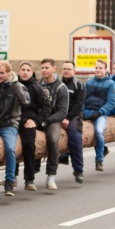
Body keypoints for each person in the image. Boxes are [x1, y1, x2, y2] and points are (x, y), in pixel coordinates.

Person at [0, 61, 29, 196]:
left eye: (2, 73)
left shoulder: (17, 86)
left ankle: (9, 181)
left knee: (10, 150)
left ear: (9, 73)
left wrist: (15, 84)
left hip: (9, 125)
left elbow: (25, 101)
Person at [17, 61, 51, 191]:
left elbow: (46, 107)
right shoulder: (14, 86)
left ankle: (29, 179)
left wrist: (36, 121)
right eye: (23, 69)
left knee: (29, 144)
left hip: (28, 121)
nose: (25, 72)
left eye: (28, 70)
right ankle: (10, 178)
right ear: (19, 71)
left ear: (32, 73)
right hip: (13, 121)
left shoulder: (37, 88)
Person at [35, 58, 68, 190]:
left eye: (46, 68)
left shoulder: (61, 87)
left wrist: (47, 120)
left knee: (52, 139)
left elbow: (62, 112)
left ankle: (51, 175)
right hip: (39, 117)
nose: (44, 70)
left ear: (54, 69)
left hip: (53, 119)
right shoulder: (38, 85)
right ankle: (28, 173)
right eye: (42, 68)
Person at [83, 59, 115, 172]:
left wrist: (100, 112)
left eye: (100, 68)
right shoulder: (88, 82)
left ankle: (99, 160)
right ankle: (64, 155)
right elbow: (83, 99)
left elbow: (111, 102)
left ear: (106, 69)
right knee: (75, 128)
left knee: (98, 131)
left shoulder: (110, 84)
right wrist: (82, 111)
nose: (98, 70)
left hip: (100, 113)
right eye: (96, 67)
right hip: (87, 110)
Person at [59, 61, 85, 183]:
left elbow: (78, 105)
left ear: (74, 71)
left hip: (73, 116)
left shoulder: (79, 85)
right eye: (64, 68)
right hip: (58, 114)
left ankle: (78, 170)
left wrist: (67, 118)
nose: (66, 71)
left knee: (75, 136)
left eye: (69, 69)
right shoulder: (57, 83)